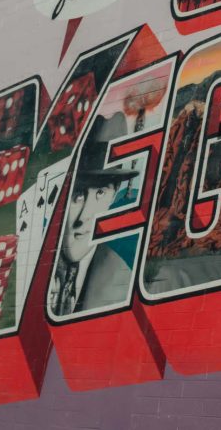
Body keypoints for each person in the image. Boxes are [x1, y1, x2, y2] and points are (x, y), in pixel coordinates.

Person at [49, 114, 136, 316]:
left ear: (114, 195)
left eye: (100, 193)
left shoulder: (121, 279)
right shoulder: (34, 267)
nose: (84, 217)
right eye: (78, 196)